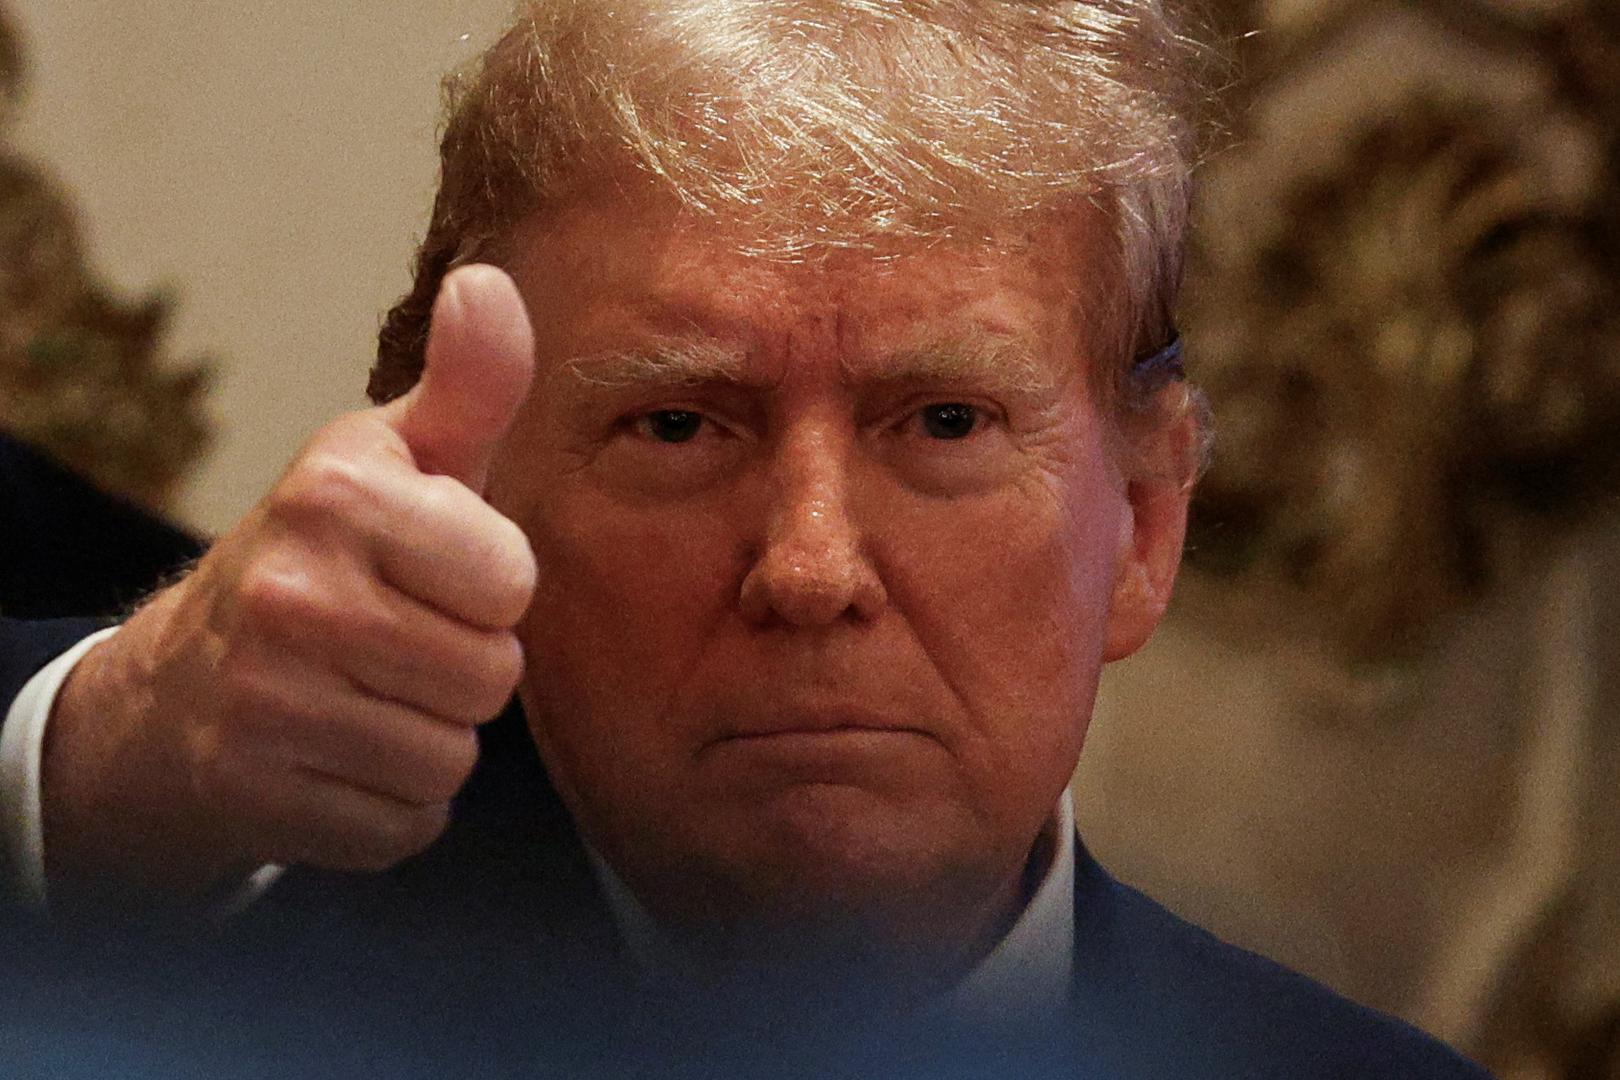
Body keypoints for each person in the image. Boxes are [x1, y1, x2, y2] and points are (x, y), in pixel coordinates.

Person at [0, 2, 1492, 1075]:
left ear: (1148, 528)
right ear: (481, 504)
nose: (811, 567)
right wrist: (120, 739)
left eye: (946, 424)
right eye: (679, 425)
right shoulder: (169, 1000)